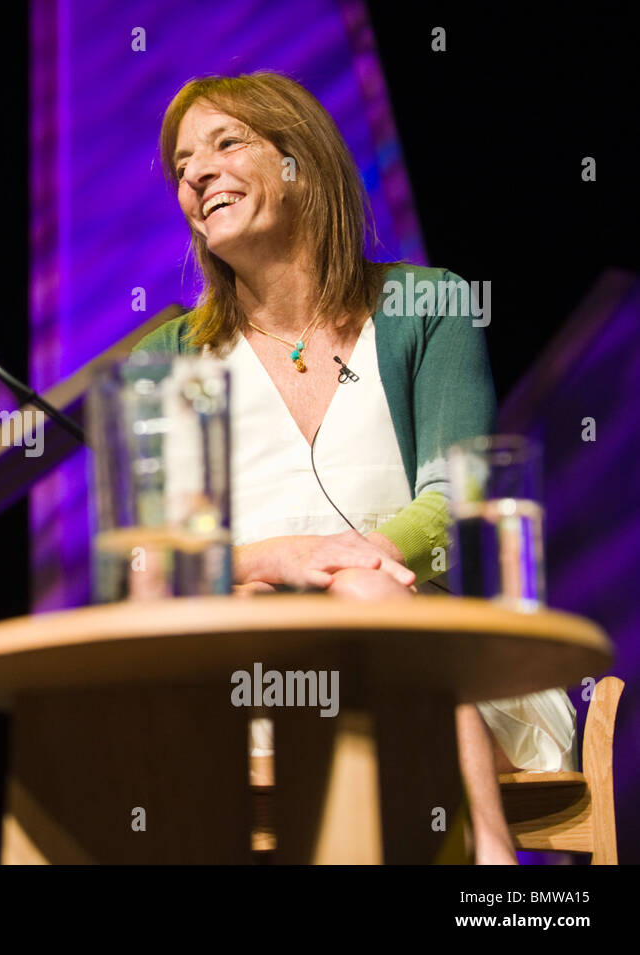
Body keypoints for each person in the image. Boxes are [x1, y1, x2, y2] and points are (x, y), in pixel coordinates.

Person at [134, 71, 575, 863]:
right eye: (180, 166)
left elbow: (452, 507)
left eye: (225, 142)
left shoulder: (425, 306)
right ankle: (496, 870)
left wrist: (349, 576)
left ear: (300, 161)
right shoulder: (167, 358)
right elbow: (153, 561)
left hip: (446, 662)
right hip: (249, 668)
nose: (194, 173)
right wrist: (287, 561)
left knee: (368, 612)